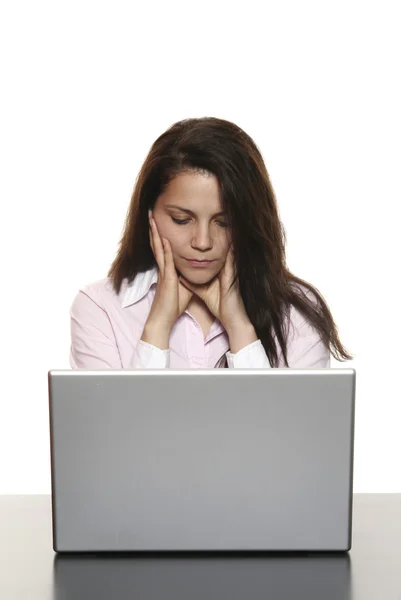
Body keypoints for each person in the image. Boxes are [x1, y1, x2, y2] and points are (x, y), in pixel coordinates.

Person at [69, 117, 353, 370]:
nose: (203, 242)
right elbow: (115, 430)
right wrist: (157, 326)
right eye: (182, 219)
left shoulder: (297, 313)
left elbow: (287, 429)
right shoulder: (101, 308)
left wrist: (239, 327)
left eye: (224, 222)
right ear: (149, 215)